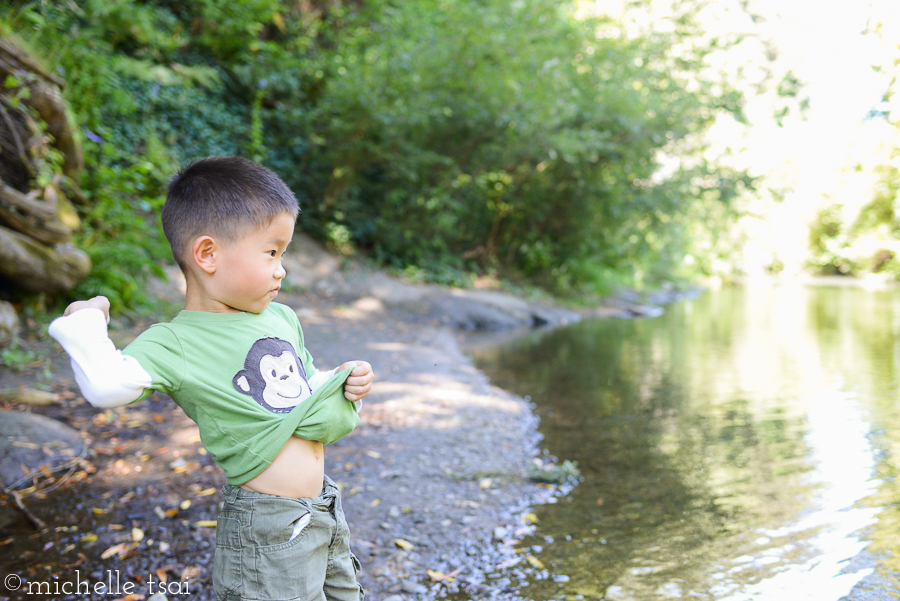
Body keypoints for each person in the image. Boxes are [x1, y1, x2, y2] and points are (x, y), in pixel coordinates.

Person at [48, 156, 374, 601]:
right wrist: (86, 322)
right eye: (272, 251)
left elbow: (302, 384)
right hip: (268, 526)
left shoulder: (280, 317)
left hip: (324, 508)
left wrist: (341, 380)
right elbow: (106, 384)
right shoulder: (177, 341)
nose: (282, 268)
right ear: (207, 254)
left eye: (285, 253)